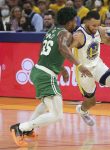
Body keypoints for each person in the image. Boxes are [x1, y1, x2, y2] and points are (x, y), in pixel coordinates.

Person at [10, 7, 92, 147]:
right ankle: (21, 128)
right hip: (46, 75)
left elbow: (44, 53)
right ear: (69, 21)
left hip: (39, 71)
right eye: (74, 20)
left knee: (44, 104)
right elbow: (62, 48)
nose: (75, 22)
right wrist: (80, 65)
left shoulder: (51, 31)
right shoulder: (65, 33)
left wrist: (62, 69)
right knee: (57, 115)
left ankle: (29, 130)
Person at [71, 11, 110, 129]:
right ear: (86, 22)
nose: (96, 27)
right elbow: (67, 51)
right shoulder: (79, 35)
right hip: (83, 71)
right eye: (93, 25)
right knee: (91, 102)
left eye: (98, 24)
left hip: (97, 65)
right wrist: (79, 66)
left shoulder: (99, 30)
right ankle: (82, 110)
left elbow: (107, 40)